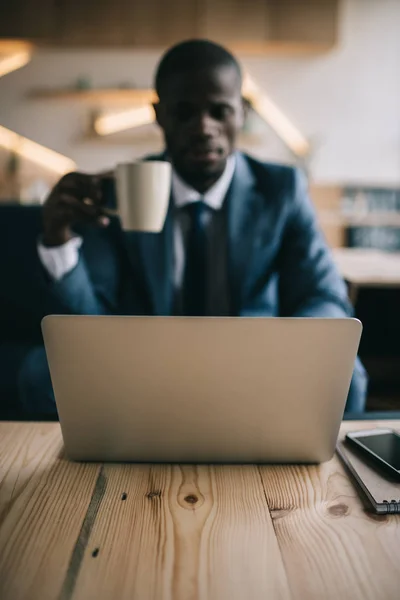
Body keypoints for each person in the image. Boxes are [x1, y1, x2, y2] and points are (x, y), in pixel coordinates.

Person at [19, 39, 367, 414]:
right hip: (146, 367)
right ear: (159, 115)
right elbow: (90, 320)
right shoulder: (123, 189)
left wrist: (281, 355)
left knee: (349, 376)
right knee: (41, 371)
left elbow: (325, 297)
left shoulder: (281, 189)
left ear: (243, 112)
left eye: (219, 111)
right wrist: (58, 240)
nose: (203, 127)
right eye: (184, 112)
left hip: (254, 368)